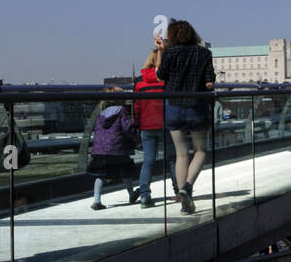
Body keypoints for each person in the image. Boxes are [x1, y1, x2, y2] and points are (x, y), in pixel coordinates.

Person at [156, 19, 215, 213]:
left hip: (173, 107)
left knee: (181, 154)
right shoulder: (204, 53)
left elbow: (160, 76)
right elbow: (209, 84)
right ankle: (187, 187)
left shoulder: (170, 53)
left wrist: (160, 51)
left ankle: (184, 203)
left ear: (172, 35)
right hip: (196, 107)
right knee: (200, 151)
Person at [87, 87, 140, 209]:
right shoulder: (121, 111)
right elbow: (127, 128)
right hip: (117, 148)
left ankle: (97, 200)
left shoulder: (101, 114)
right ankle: (131, 194)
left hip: (100, 150)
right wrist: (137, 135)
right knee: (126, 169)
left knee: (100, 174)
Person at [133, 49, 170, 208]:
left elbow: (136, 108)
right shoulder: (166, 82)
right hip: (166, 125)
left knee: (148, 162)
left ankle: (144, 196)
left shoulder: (140, 85)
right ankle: (178, 192)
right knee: (174, 160)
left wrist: (137, 123)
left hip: (146, 127)